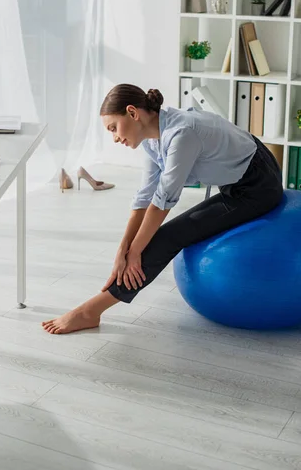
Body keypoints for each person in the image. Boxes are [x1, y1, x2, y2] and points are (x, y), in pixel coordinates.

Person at [42, 83, 283, 334]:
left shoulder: (182, 134)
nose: (114, 138)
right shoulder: (151, 137)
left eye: (114, 128)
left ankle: (90, 311)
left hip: (258, 185)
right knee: (151, 238)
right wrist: (123, 249)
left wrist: (135, 253)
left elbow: (163, 201)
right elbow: (145, 197)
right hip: (237, 177)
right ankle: (92, 309)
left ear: (133, 113)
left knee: (170, 235)